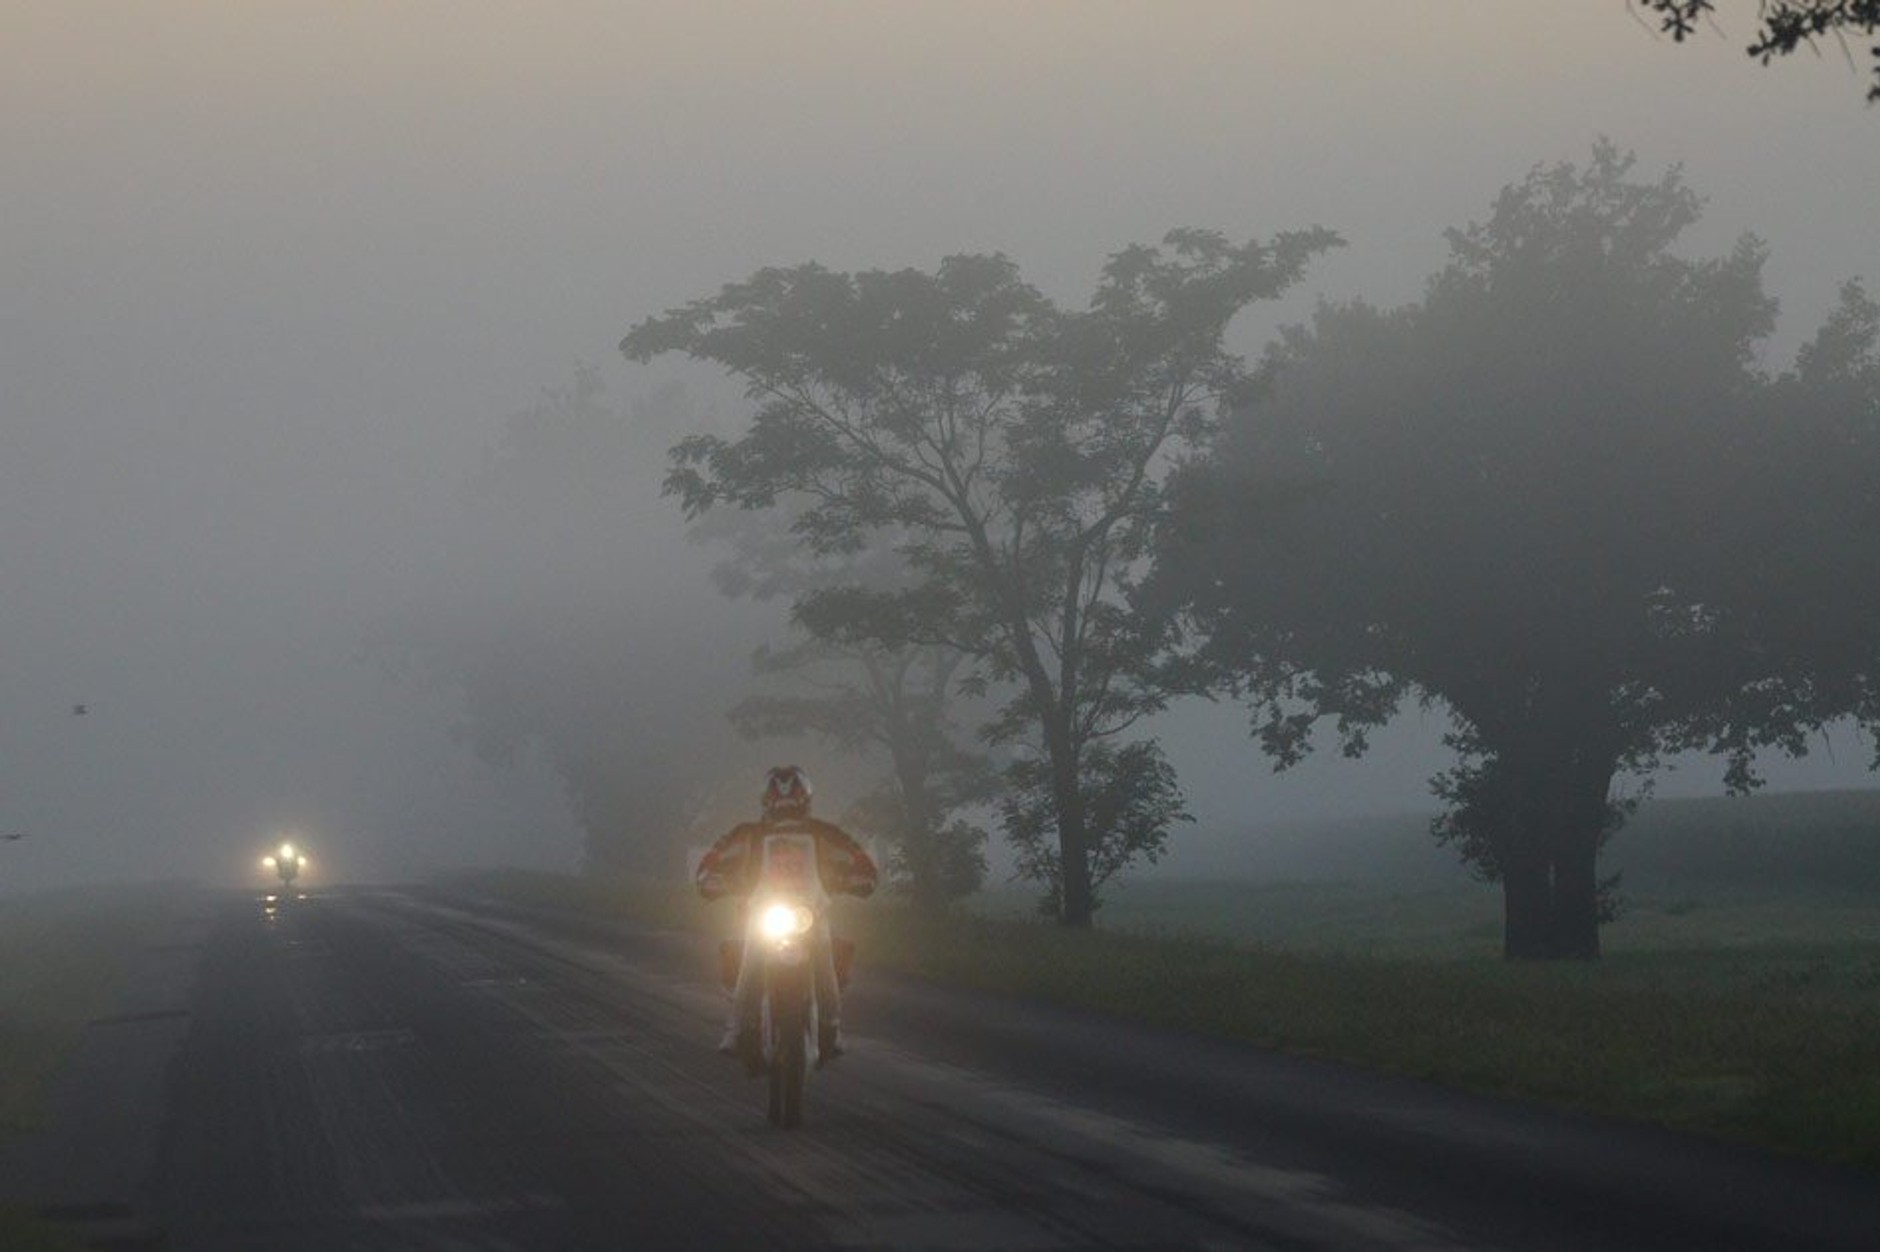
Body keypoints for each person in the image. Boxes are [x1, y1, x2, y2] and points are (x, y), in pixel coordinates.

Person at [695, 765, 878, 1068]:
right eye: (779, 802)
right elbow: (713, 859)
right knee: (749, 963)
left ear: (805, 800)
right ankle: (737, 1029)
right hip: (761, 911)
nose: (785, 809)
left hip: (812, 913)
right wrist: (710, 879)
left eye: (792, 801)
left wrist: (860, 878)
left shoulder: (825, 833)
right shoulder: (747, 834)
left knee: (827, 969)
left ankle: (831, 1028)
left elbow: (859, 858)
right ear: (767, 802)